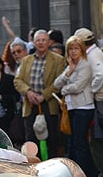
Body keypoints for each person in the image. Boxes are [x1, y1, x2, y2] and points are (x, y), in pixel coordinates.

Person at [76, 27, 103, 177]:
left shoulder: (93, 55)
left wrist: (89, 90)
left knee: (99, 140)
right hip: (100, 100)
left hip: (100, 101)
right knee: (100, 139)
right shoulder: (94, 53)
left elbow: (101, 75)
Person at [14, 30, 66, 158]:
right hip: (30, 104)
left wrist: (44, 95)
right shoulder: (26, 60)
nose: (41, 43)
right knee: (30, 139)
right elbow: (17, 80)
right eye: (38, 40)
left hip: (49, 104)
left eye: (43, 40)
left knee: (51, 139)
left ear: (49, 42)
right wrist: (28, 92)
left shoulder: (58, 60)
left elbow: (58, 82)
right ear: (34, 43)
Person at [53, 36, 98, 177]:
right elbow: (56, 83)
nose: (73, 52)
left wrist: (65, 89)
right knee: (72, 141)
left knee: (80, 142)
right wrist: (68, 72)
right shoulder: (71, 65)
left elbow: (78, 86)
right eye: (71, 49)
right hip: (71, 107)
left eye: (76, 48)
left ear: (82, 50)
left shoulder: (85, 65)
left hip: (84, 106)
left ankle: (88, 176)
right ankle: (74, 174)